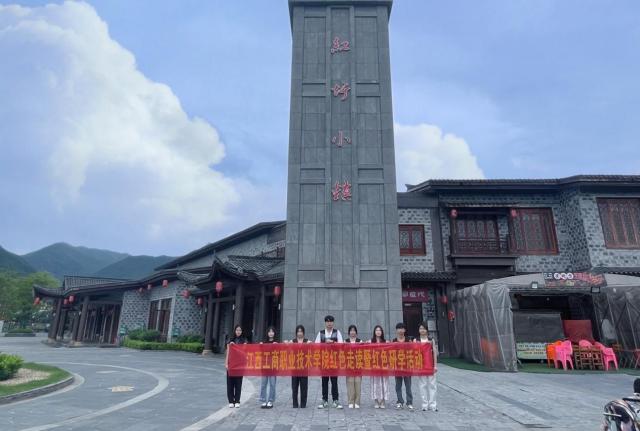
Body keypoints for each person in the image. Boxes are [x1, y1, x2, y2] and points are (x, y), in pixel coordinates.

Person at [315, 315, 344, 409]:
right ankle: (325, 400)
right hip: (324, 361)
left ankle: (336, 400)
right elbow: (316, 346)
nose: (329, 323)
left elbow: (341, 345)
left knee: (334, 381)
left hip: (334, 361)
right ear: (325, 323)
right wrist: (324, 343)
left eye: (331, 321)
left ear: (333, 323)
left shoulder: (337, 332)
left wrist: (333, 343)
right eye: (327, 322)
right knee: (324, 381)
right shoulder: (321, 333)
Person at [416, 321, 438, 412]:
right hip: (421, 365)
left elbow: (434, 353)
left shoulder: (431, 340)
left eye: (424, 329)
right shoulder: (416, 340)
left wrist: (435, 365)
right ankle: (424, 404)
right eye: (420, 328)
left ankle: (433, 404)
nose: (422, 330)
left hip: (430, 365)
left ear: (427, 330)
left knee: (432, 385)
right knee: (422, 385)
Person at [392, 322, 414, 411]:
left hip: (407, 366)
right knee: (398, 385)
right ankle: (399, 402)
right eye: (399, 328)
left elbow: (412, 352)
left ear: (404, 330)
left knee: (408, 385)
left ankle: (409, 402)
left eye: (402, 328)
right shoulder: (394, 340)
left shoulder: (408, 340)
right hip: (397, 366)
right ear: (396, 330)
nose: (400, 330)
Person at [225, 324, 247, 408]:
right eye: (237, 330)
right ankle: (231, 401)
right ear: (235, 331)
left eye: (240, 330)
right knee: (230, 383)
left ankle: (237, 400)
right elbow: (228, 353)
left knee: (238, 384)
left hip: (240, 365)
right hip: (231, 364)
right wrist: (226, 363)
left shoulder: (244, 340)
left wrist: (244, 346)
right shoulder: (230, 340)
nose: (238, 331)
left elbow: (245, 352)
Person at [370, 325, 390, 409]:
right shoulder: (370, 342)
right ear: (374, 332)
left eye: (380, 330)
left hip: (384, 365)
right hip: (374, 365)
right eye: (377, 330)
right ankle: (376, 400)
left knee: (384, 383)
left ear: (382, 332)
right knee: (375, 383)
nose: (378, 332)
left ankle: (383, 401)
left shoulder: (386, 342)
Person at [290, 324, 309, 408]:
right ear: (296, 333)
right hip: (295, 367)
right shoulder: (293, 341)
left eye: (301, 331)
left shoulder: (307, 341)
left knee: (304, 386)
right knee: (294, 386)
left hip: (304, 367)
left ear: (303, 332)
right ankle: (295, 403)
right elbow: (286, 348)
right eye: (298, 331)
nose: (299, 333)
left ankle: (303, 403)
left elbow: (313, 347)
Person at [260, 326, 278, 409]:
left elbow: (279, 354)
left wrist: (277, 346)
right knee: (263, 384)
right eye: (269, 331)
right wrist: (260, 346)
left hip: (273, 366)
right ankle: (263, 400)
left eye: (272, 331)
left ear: (274, 333)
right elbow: (260, 353)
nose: (271, 333)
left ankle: (270, 400)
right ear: (267, 333)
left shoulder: (276, 342)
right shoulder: (264, 342)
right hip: (264, 365)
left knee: (272, 384)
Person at [345, 324, 362, 409]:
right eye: (351, 330)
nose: (352, 332)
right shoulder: (346, 341)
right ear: (349, 332)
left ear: (356, 332)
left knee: (358, 383)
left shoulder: (360, 341)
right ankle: (351, 401)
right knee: (350, 383)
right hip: (349, 365)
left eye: (354, 330)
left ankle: (357, 401)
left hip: (358, 365)